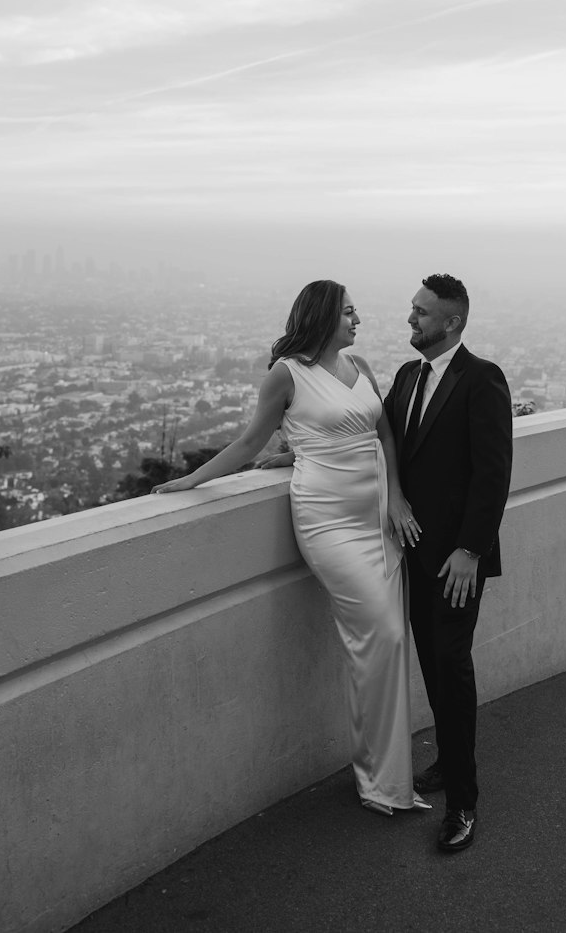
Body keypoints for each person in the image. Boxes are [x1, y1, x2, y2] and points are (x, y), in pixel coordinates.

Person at [152, 280, 429, 817]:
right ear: (324, 317)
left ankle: (389, 779)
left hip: (376, 520)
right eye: (349, 312)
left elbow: (384, 436)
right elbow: (250, 441)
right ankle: (376, 778)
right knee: (383, 633)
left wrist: (396, 498)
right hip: (327, 523)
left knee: (392, 642)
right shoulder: (286, 373)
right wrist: (193, 480)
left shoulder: (363, 367)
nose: (358, 320)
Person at [383, 273, 513, 854]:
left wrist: (471, 550)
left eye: (422, 313)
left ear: (452, 322)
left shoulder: (482, 378)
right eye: (413, 309)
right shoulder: (407, 376)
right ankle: (447, 761)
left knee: (451, 665)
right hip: (411, 551)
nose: (411, 319)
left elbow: (493, 474)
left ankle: (463, 800)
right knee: (432, 665)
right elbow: (380, 442)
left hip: (458, 559)